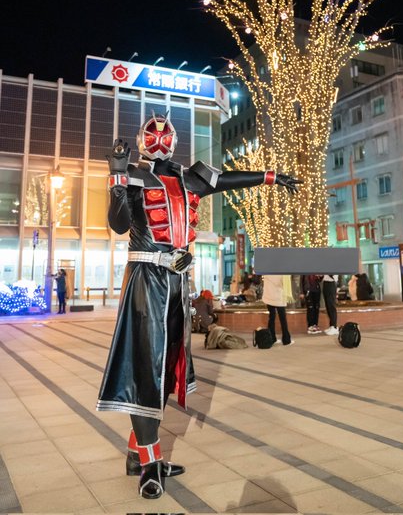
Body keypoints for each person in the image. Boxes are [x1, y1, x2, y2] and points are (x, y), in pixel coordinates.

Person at [96, 112, 301, 499]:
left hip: (177, 283)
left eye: (165, 133)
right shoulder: (135, 177)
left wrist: (271, 177)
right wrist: (117, 176)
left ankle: (137, 454)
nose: (159, 138)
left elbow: (228, 180)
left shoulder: (191, 177)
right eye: (153, 134)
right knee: (146, 369)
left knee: (167, 368)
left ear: (174, 139)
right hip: (146, 282)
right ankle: (151, 464)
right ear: (142, 140)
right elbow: (119, 225)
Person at [262, 274, 293, 345]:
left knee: (271, 318)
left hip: (269, 297)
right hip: (279, 298)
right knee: (283, 319)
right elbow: (284, 284)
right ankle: (286, 340)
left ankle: (272, 338)